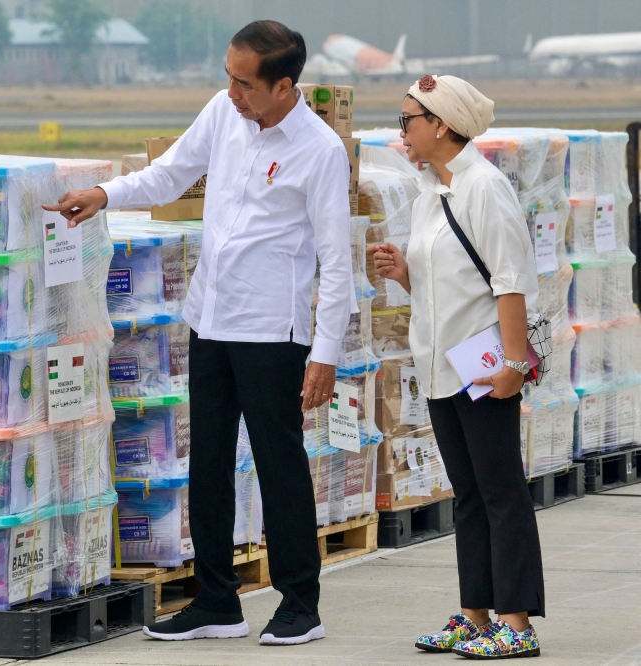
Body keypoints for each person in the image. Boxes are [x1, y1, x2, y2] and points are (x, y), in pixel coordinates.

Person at [43, 20, 354, 646]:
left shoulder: (320, 150)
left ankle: (300, 603)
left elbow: (337, 259)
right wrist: (105, 193)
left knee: (278, 463)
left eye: (244, 83)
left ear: (284, 85)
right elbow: (169, 175)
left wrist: (325, 354)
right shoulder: (224, 112)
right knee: (207, 460)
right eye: (228, 77)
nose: (232, 91)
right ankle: (216, 600)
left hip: (273, 329)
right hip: (210, 317)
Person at [368, 75, 544, 660]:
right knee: (467, 493)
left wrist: (515, 364)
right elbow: (448, 283)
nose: (402, 133)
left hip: (484, 367)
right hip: (441, 366)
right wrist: (404, 273)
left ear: (440, 124)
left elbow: (509, 282)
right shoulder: (429, 190)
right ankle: (475, 616)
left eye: (408, 121)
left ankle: (516, 625)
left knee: (500, 491)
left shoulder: (484, 187)